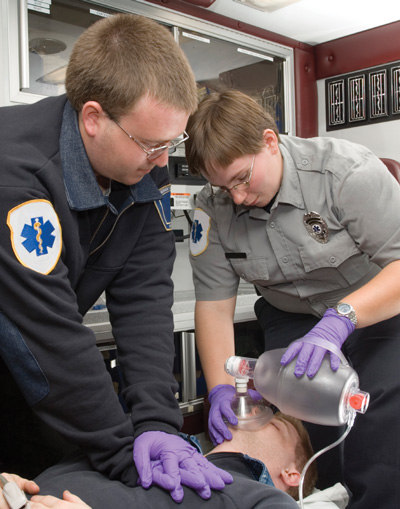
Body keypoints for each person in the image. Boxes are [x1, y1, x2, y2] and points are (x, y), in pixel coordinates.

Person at [0, 13, 233, 503]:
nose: (163, 159)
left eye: (173, 143)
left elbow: (146, 297)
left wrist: (157, 424)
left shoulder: (145, 168)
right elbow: (48, 339)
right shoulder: (16, 178)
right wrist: (125, 455)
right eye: (152, 144)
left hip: (33, 372)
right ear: (92, 118)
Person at [184, 89, 400, 509]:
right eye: (223, 187)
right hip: (292, 316)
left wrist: (342, 320)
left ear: (269, 141)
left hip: (375, 307)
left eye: (243, 179)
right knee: (307, 420)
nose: (238, 197)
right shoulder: (210, 210)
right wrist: (221, 389)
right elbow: (213, 305)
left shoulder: (345, 173)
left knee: (377, 412)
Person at [0, 412, 318, 509]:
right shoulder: (147, 443)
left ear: (292, 474)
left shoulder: (262, 498)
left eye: (275, 424)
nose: (253, 414)